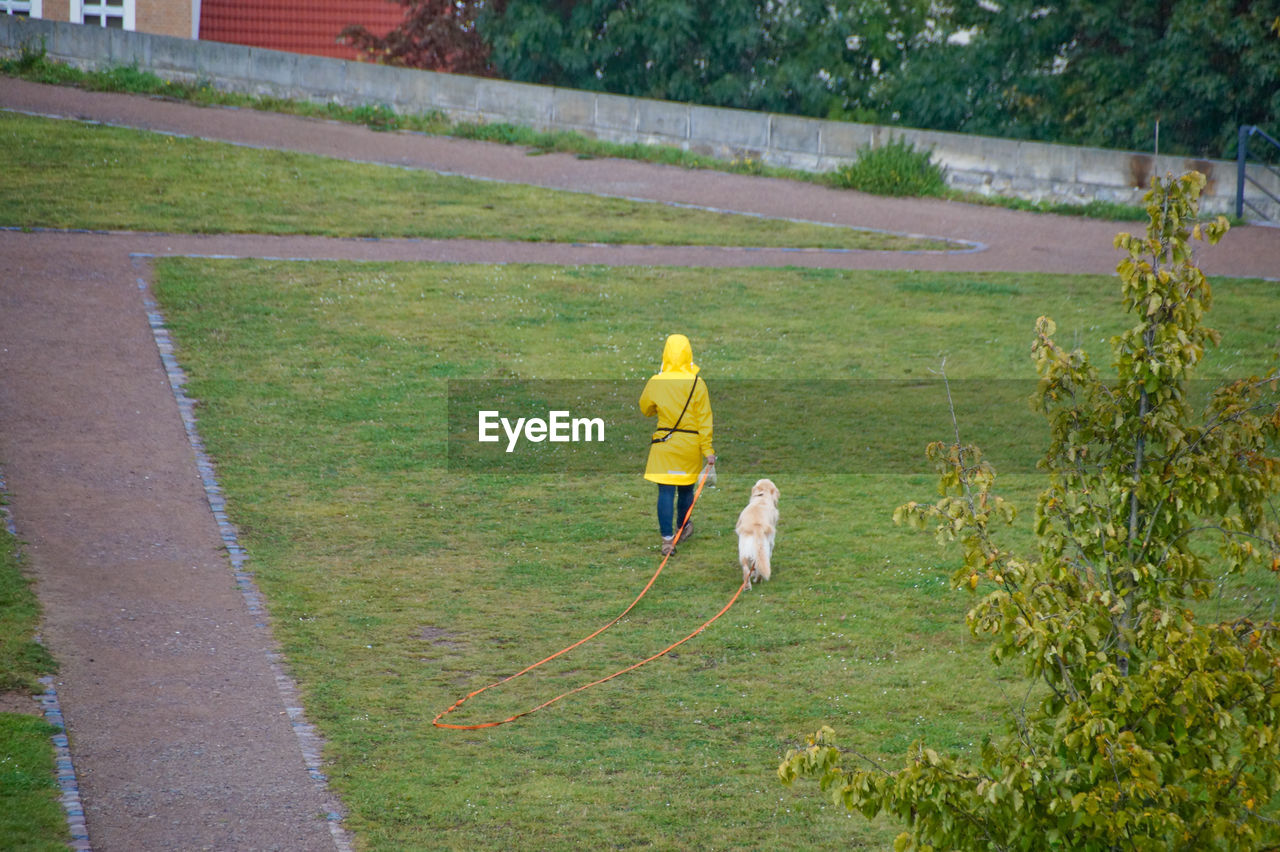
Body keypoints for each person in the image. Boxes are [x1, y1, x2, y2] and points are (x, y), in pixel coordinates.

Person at [639, 334, 716, 556]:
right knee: (685, 490)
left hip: (665, 444)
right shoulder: (697, 384)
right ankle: (682, 529)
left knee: (665, 490)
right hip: (689, 445)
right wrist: (707, 450)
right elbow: (704, 419)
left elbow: (645, 409)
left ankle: (666, 539)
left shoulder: (656, 381)